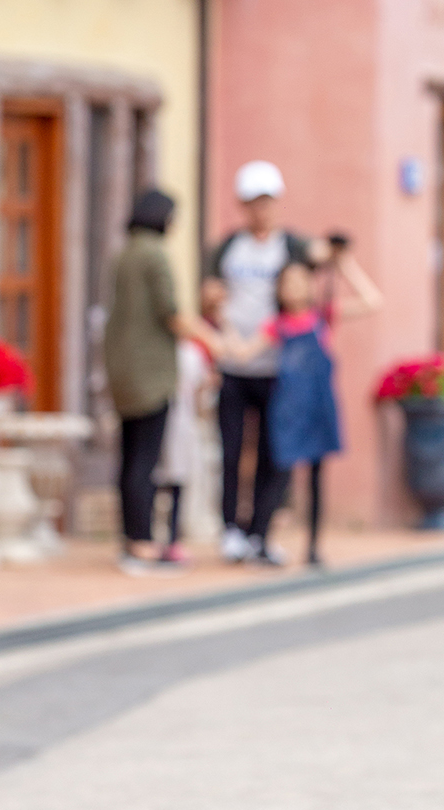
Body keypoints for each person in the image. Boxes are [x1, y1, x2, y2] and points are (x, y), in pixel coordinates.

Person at [215, 246, 382, 566]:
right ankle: (259, 538)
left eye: (299, 281)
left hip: (318, 407)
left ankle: (314, 546)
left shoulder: (323, 317)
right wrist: (224, 320)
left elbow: (372, 301)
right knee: (279, 475)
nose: (293, 288)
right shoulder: (277, 325)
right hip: (288, 410)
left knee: (317, 476)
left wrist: (344, 265)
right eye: (286, 282)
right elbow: (243, 353)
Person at [207, 161, 320, 566]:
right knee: (232, 452)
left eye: (268, 202)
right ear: (243, 205)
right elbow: (209, 294)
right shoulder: (227, 248)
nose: (262, 210)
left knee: (276, 454)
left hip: (278, 368)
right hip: (235, 366)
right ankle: (231, 530)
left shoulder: (290, 247)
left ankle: (260, 532)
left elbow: (317, 269)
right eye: (254, 203)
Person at [103, 189, 204, 575]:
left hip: (122, 369)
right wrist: (215, 341)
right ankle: (144, 544)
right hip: (151, 372)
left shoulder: (124, 253)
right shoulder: (155, 254)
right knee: (145, 461)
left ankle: (131, 539)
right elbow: (171, 313)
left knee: (129, 458)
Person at [151, 278, 224, 564]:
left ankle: (174, 536)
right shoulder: (163, 351)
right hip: (164, 420)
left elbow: (201, 388)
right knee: (159, 477)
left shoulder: (193, 351)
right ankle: (159, 535)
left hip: (186, 423)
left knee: (182, 478)